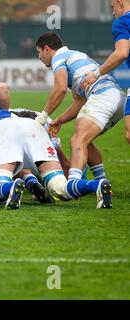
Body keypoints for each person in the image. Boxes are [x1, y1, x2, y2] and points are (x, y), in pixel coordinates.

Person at [34, 32, 124, 204]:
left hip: (103, 96)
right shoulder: (76, 55)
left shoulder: (58, 58)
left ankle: (72, 184)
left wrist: (43, 116)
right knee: (86, 141)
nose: (39, 57)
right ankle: (101, 182)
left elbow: (60, 89)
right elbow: (80, 102)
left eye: (39, 52)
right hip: (117, 98)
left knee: (77, 140)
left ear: (47, 49)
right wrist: (60, 119)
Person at [82, 0, 130, 144]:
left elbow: (121, 53)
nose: (113, 12)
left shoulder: (123, 22)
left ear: (119, 2)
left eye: (112, 7)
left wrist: (96, 74)